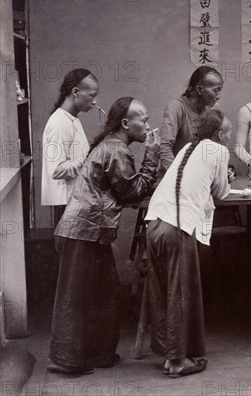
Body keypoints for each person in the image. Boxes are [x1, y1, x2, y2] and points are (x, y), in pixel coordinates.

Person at [48, 97, 159, 375]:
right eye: (143, 120)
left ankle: (100, 353)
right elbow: (132, 192)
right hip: (83, 231)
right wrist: (152, 156)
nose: (147, 125)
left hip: (90, 231)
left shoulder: (113, 145)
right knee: (76, 297)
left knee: (105, 293)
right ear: (125, 123)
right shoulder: (116, 149)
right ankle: (65, 360)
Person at [145, 109, 232, 378]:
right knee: (182, 293)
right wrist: (226, 177)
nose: (228, 138)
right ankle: (178, 361)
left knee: (164, 291)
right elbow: (220, 192)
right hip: (177, 227)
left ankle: (169, 355)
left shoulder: (185, 150)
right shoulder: (218, 152)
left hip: (154, 223)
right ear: (219, 135)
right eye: (227, 134)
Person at [41, 68, 99, 225]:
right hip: (67, 202)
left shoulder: (72, 118)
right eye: (92, 95)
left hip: (76, 200)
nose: (94, 102)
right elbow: (57, 170)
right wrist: (88, 159)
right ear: (75, 92)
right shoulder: (59, 122)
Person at [158, 66, 224, 178]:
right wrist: (178, 177)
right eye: (216, 90)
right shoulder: (177, 108)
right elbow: (164, 147)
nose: (218, 97)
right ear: (199, 90)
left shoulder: (207, 111)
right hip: (173, 180)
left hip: (195, 180)